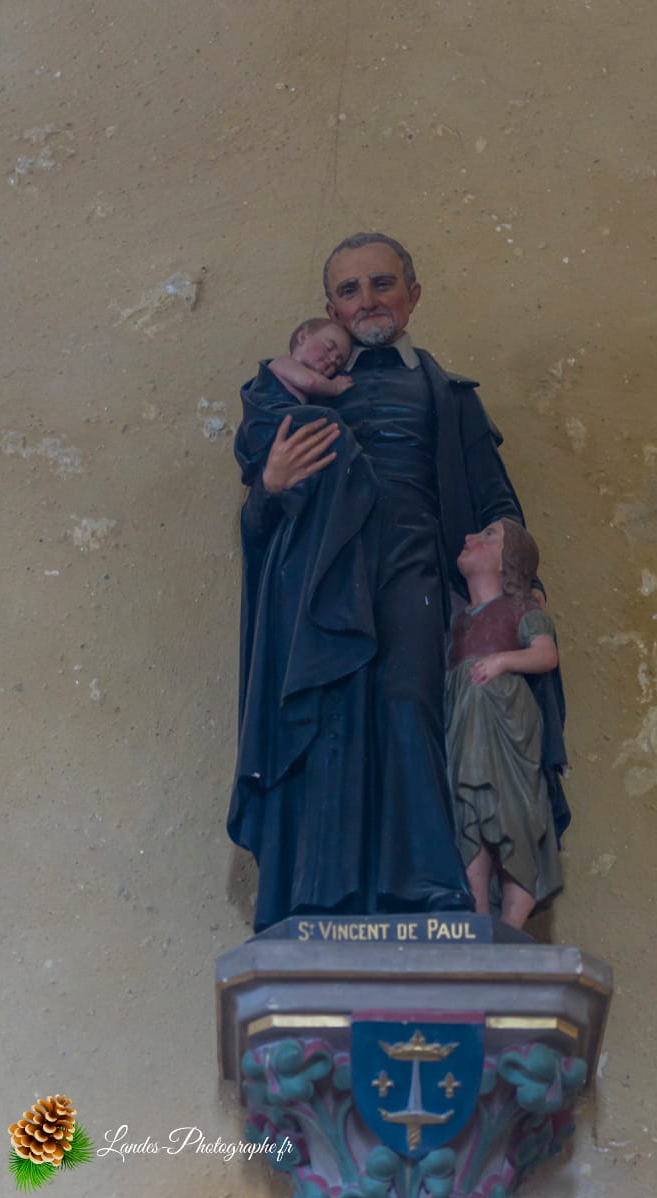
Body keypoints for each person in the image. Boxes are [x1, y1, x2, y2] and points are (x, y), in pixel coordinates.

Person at [229, 232, 531, 933]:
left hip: (413, 566)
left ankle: (426, 884)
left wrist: (521, 578)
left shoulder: (449, 396)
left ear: (412, 295)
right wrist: (271, 486)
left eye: (382, 283)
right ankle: (319, 891)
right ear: (329, 306)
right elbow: (260, 523)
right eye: (349, 289)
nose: (366, 300)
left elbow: (496, 502)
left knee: (408, 700)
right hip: (323, 575)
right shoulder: (298, 385)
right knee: (328, 716)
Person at [446, 519, 563, 929]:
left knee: (515, 814)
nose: (469, 537)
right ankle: (476, 916)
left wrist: (500, 661)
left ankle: (511, 926)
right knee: (469, 810)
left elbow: (545, 654)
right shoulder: (457, 621)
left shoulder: (521, 608)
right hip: (463, 723)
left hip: (507, 722)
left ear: (506, 561)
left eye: (488, 536)